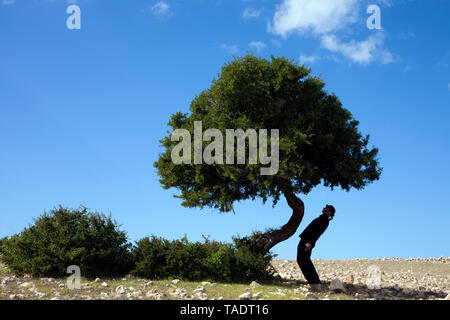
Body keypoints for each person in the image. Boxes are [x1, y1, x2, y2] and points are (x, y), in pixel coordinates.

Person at [297, 204, 335, 285]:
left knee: (304, 260)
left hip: (307, 241)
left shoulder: (324, 220)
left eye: (326, 208)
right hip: (306, 240)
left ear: (329, 212)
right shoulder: (322, 218)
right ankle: (313, 280)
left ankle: (314, 281)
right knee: (303, 260)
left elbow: (317, 233)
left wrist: (310, 243)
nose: (324, 208)